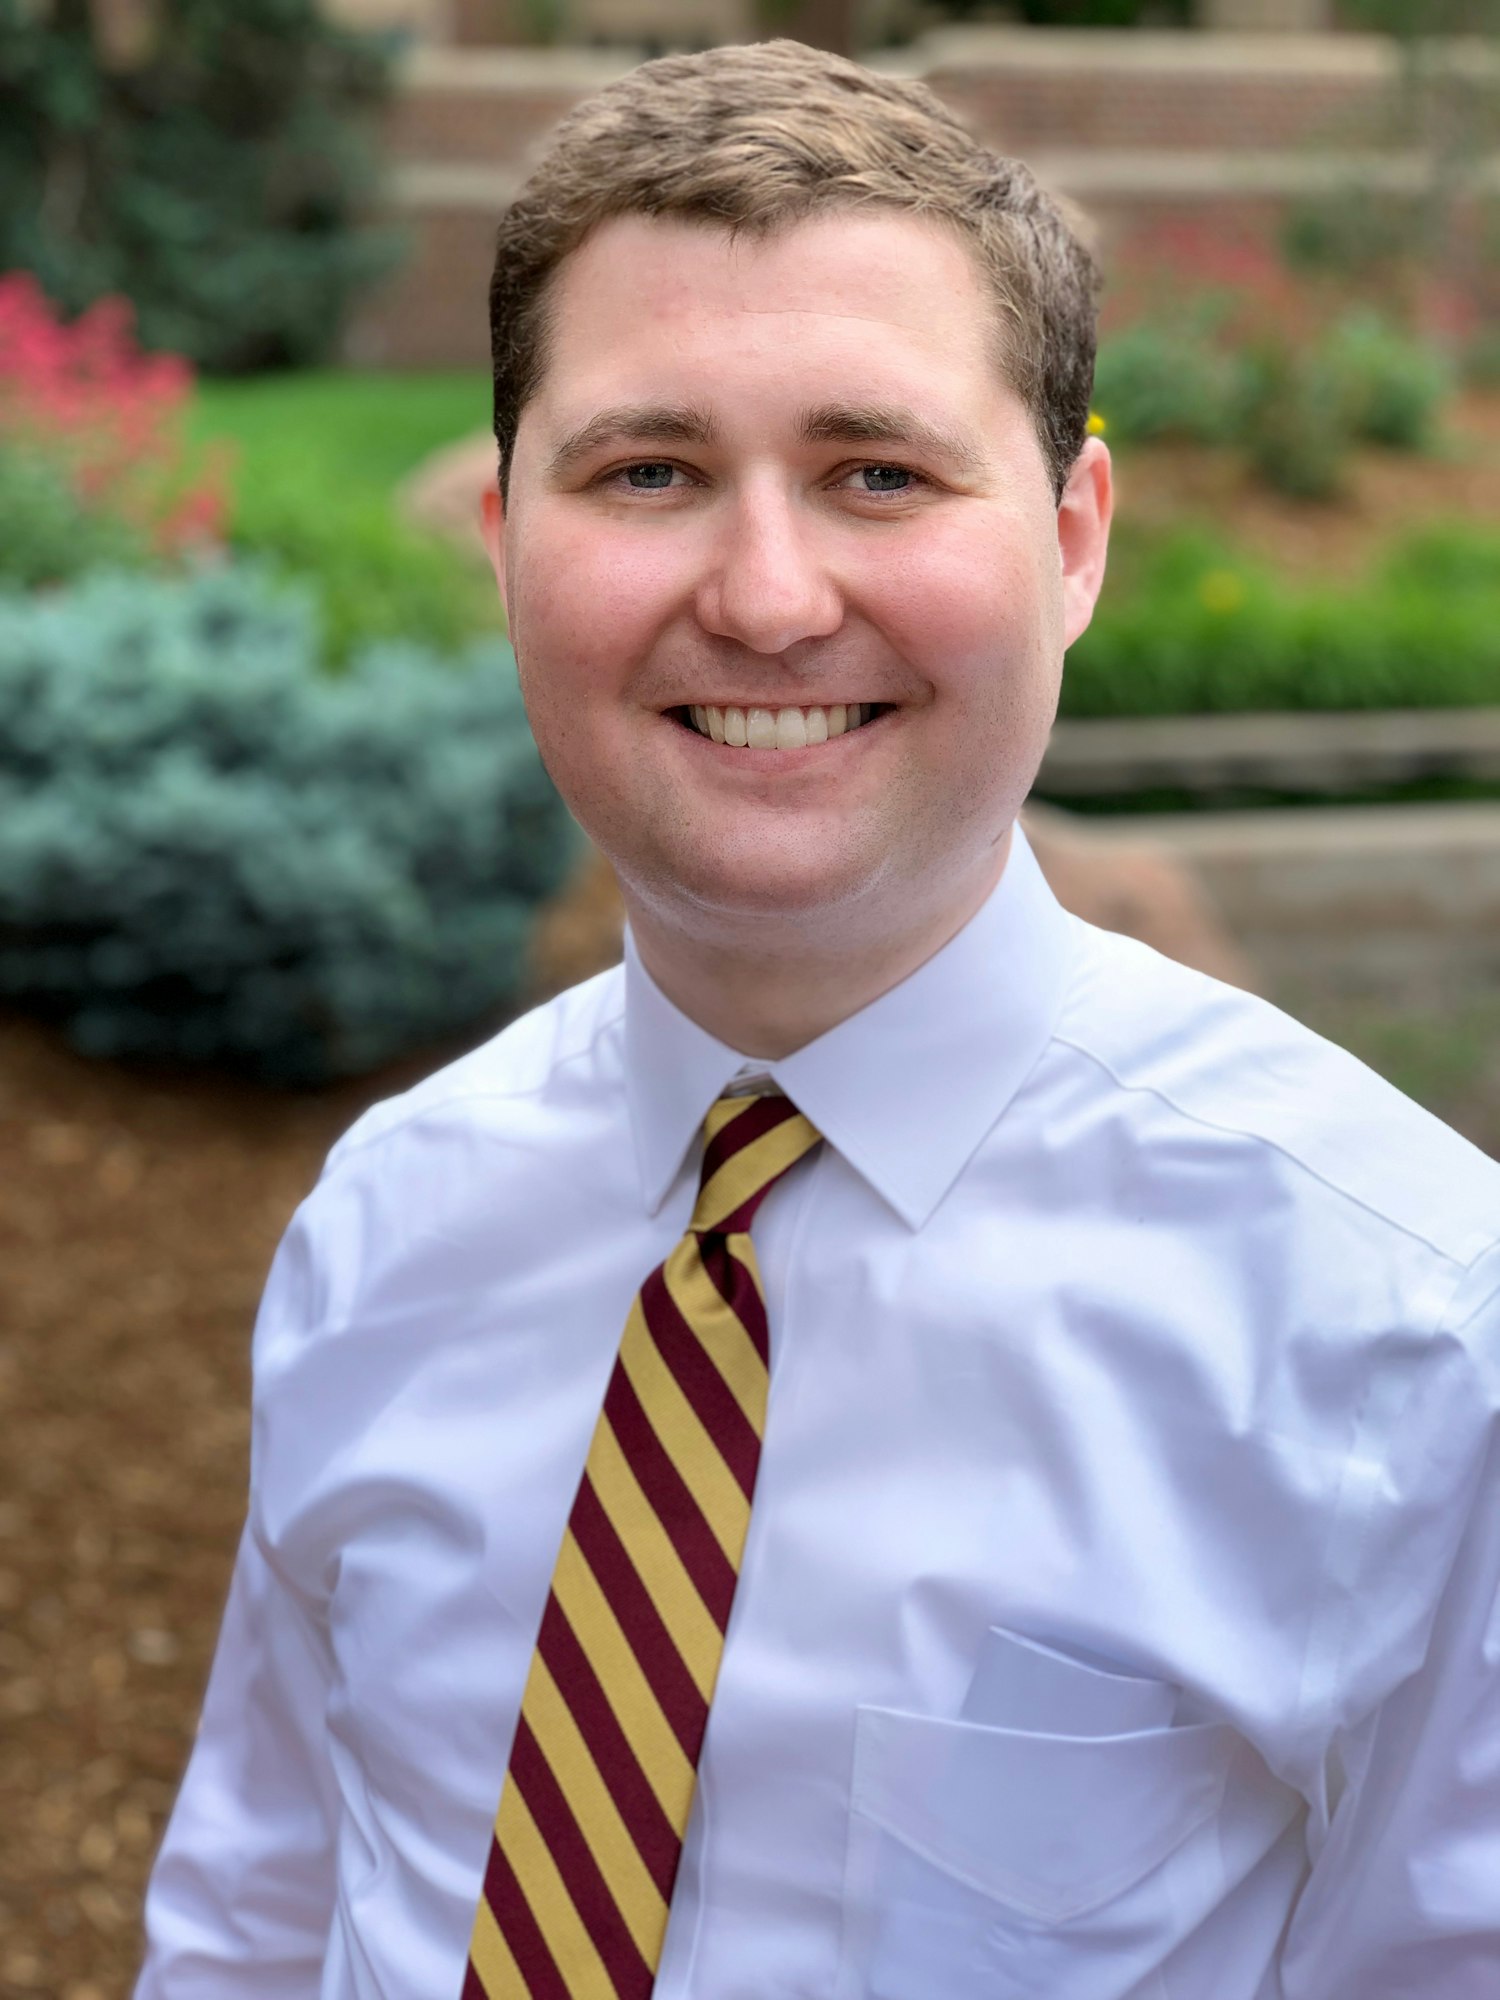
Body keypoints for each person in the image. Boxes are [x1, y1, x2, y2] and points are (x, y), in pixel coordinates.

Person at [136, 38, 1500, 2000]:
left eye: (877, 470)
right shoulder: (387, 1226)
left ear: (1074, 536)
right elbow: (256, 1928)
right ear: (507, 531)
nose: (767, 596)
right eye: (650, 471)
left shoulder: (1407, 1331)